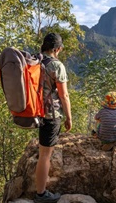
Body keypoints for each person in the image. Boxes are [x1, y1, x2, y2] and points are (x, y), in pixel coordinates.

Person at [34, 33, 72, 203]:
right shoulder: (57, 65)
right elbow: (64, 95)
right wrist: (69, 117)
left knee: (43, 153)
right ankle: (41, 194)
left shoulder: (36, 62)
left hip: (36, 112)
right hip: (50, 114)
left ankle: (40, 189)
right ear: (57, 49)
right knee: (45, 155)